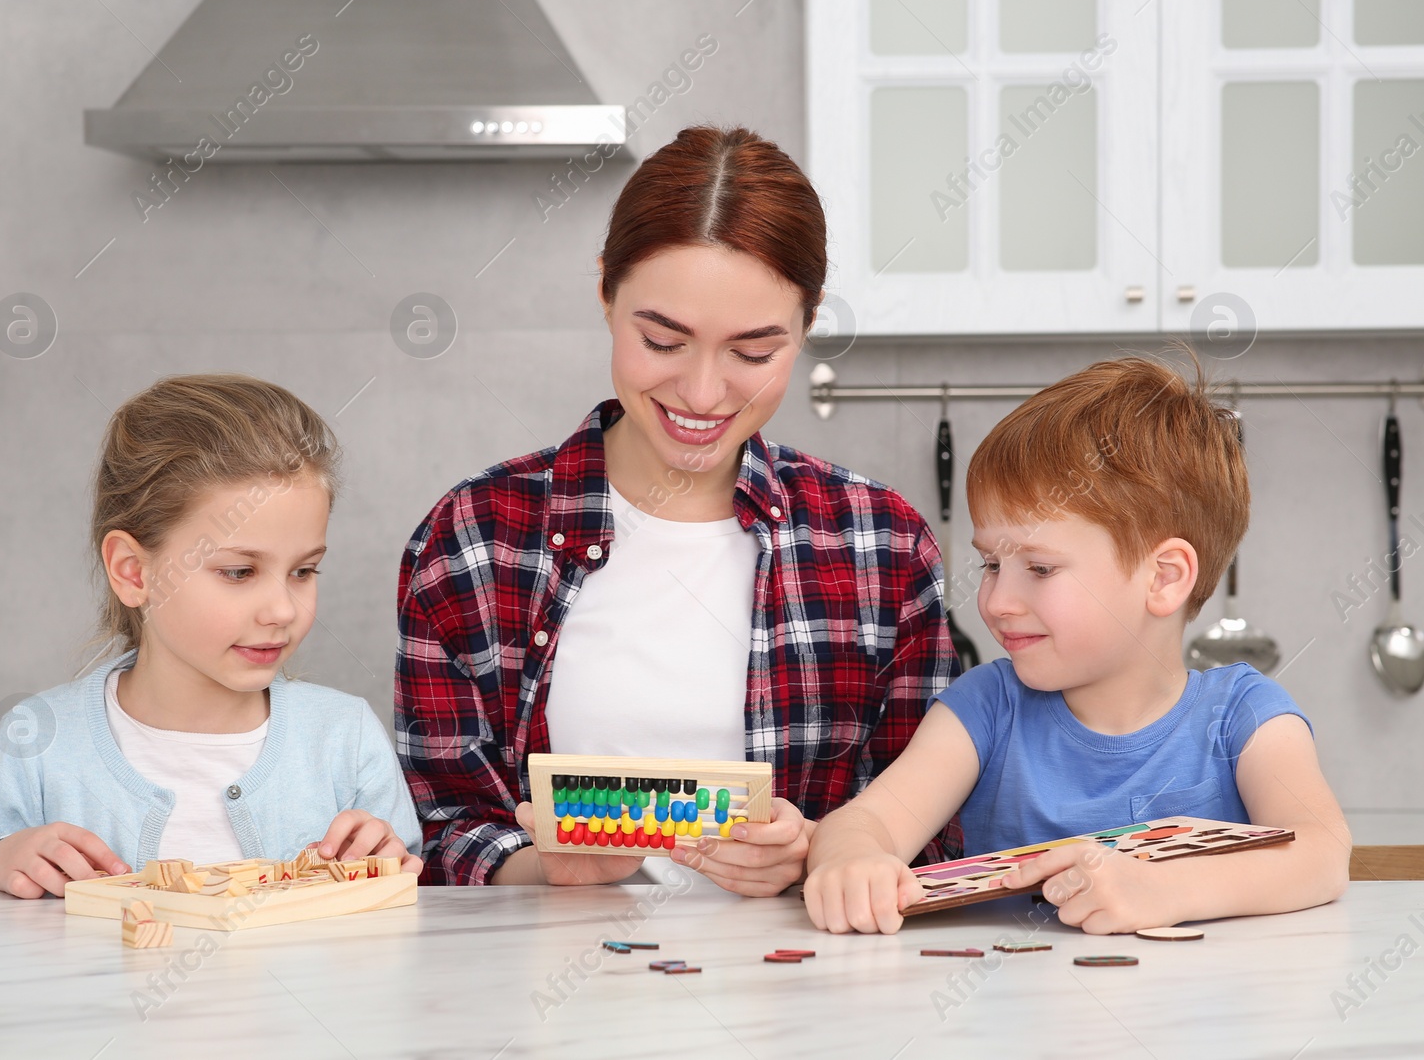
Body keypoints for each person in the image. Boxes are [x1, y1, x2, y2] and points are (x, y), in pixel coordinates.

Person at [395, 125, 962, 894]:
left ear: (809, 323)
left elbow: (933, 839)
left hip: (805, 998)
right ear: (605, 292)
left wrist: (820, 852)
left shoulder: (882, 545)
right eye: (663, 339)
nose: (702, 393)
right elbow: (436, 832)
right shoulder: (474, 538)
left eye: (754, 353)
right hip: (543, 994)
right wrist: (545, 866)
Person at [804, 355, 1350, 934]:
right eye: (992, 563)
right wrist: (850, 859)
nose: (996, 601)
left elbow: (1322, 854)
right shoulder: (987, 707)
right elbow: (865, 824)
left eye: (1039, 568)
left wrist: (1163, 889)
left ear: (1163, 578)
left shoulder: (1245, 717)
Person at [0, 374, 421, 896]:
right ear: (134, 572)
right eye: (239, 572)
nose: (281, 610)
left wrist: (388, 861)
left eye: (303, 571)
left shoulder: (344, 737)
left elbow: (400, 903)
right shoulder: (38, 741)